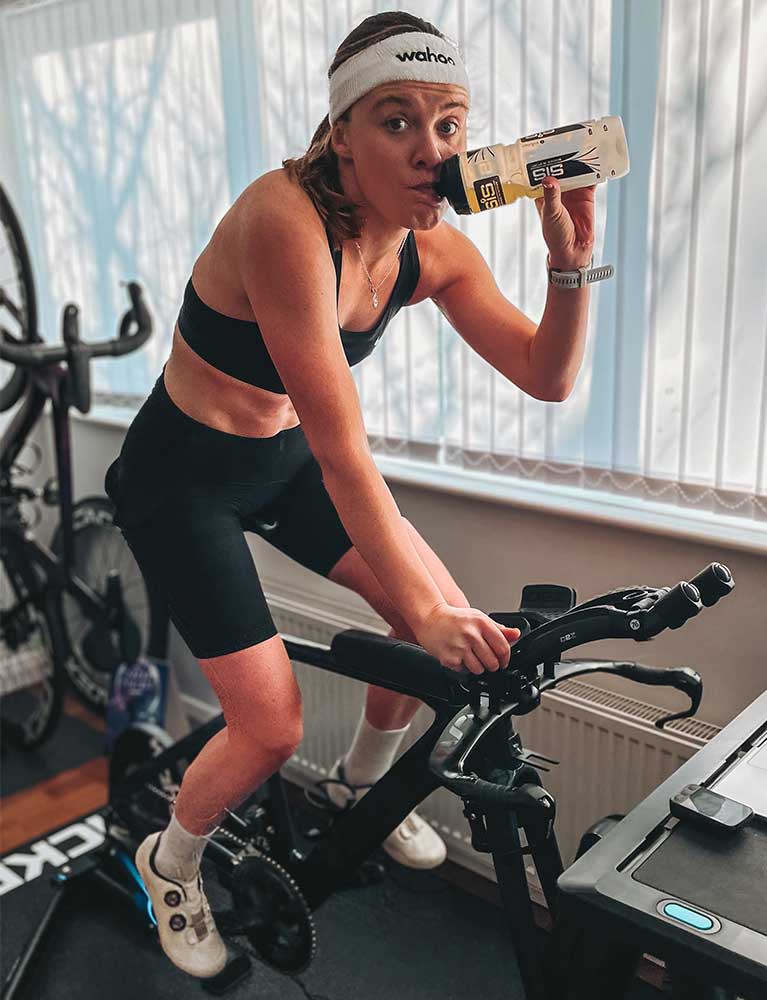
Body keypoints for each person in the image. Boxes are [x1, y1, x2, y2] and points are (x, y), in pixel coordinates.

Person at [108, 12, 601, 978]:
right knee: (270, 722)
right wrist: (422, 609)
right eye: (397, 121)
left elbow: (548, 375)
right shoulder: (282, 221)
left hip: (281, 462)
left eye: (450, 124)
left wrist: (572, 261)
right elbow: (346, 450)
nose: (432, 151)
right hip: (184, 478)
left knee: (432, 624)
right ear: (340, 131)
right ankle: (171, 862)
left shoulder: (433, 250)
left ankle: (359, 788)